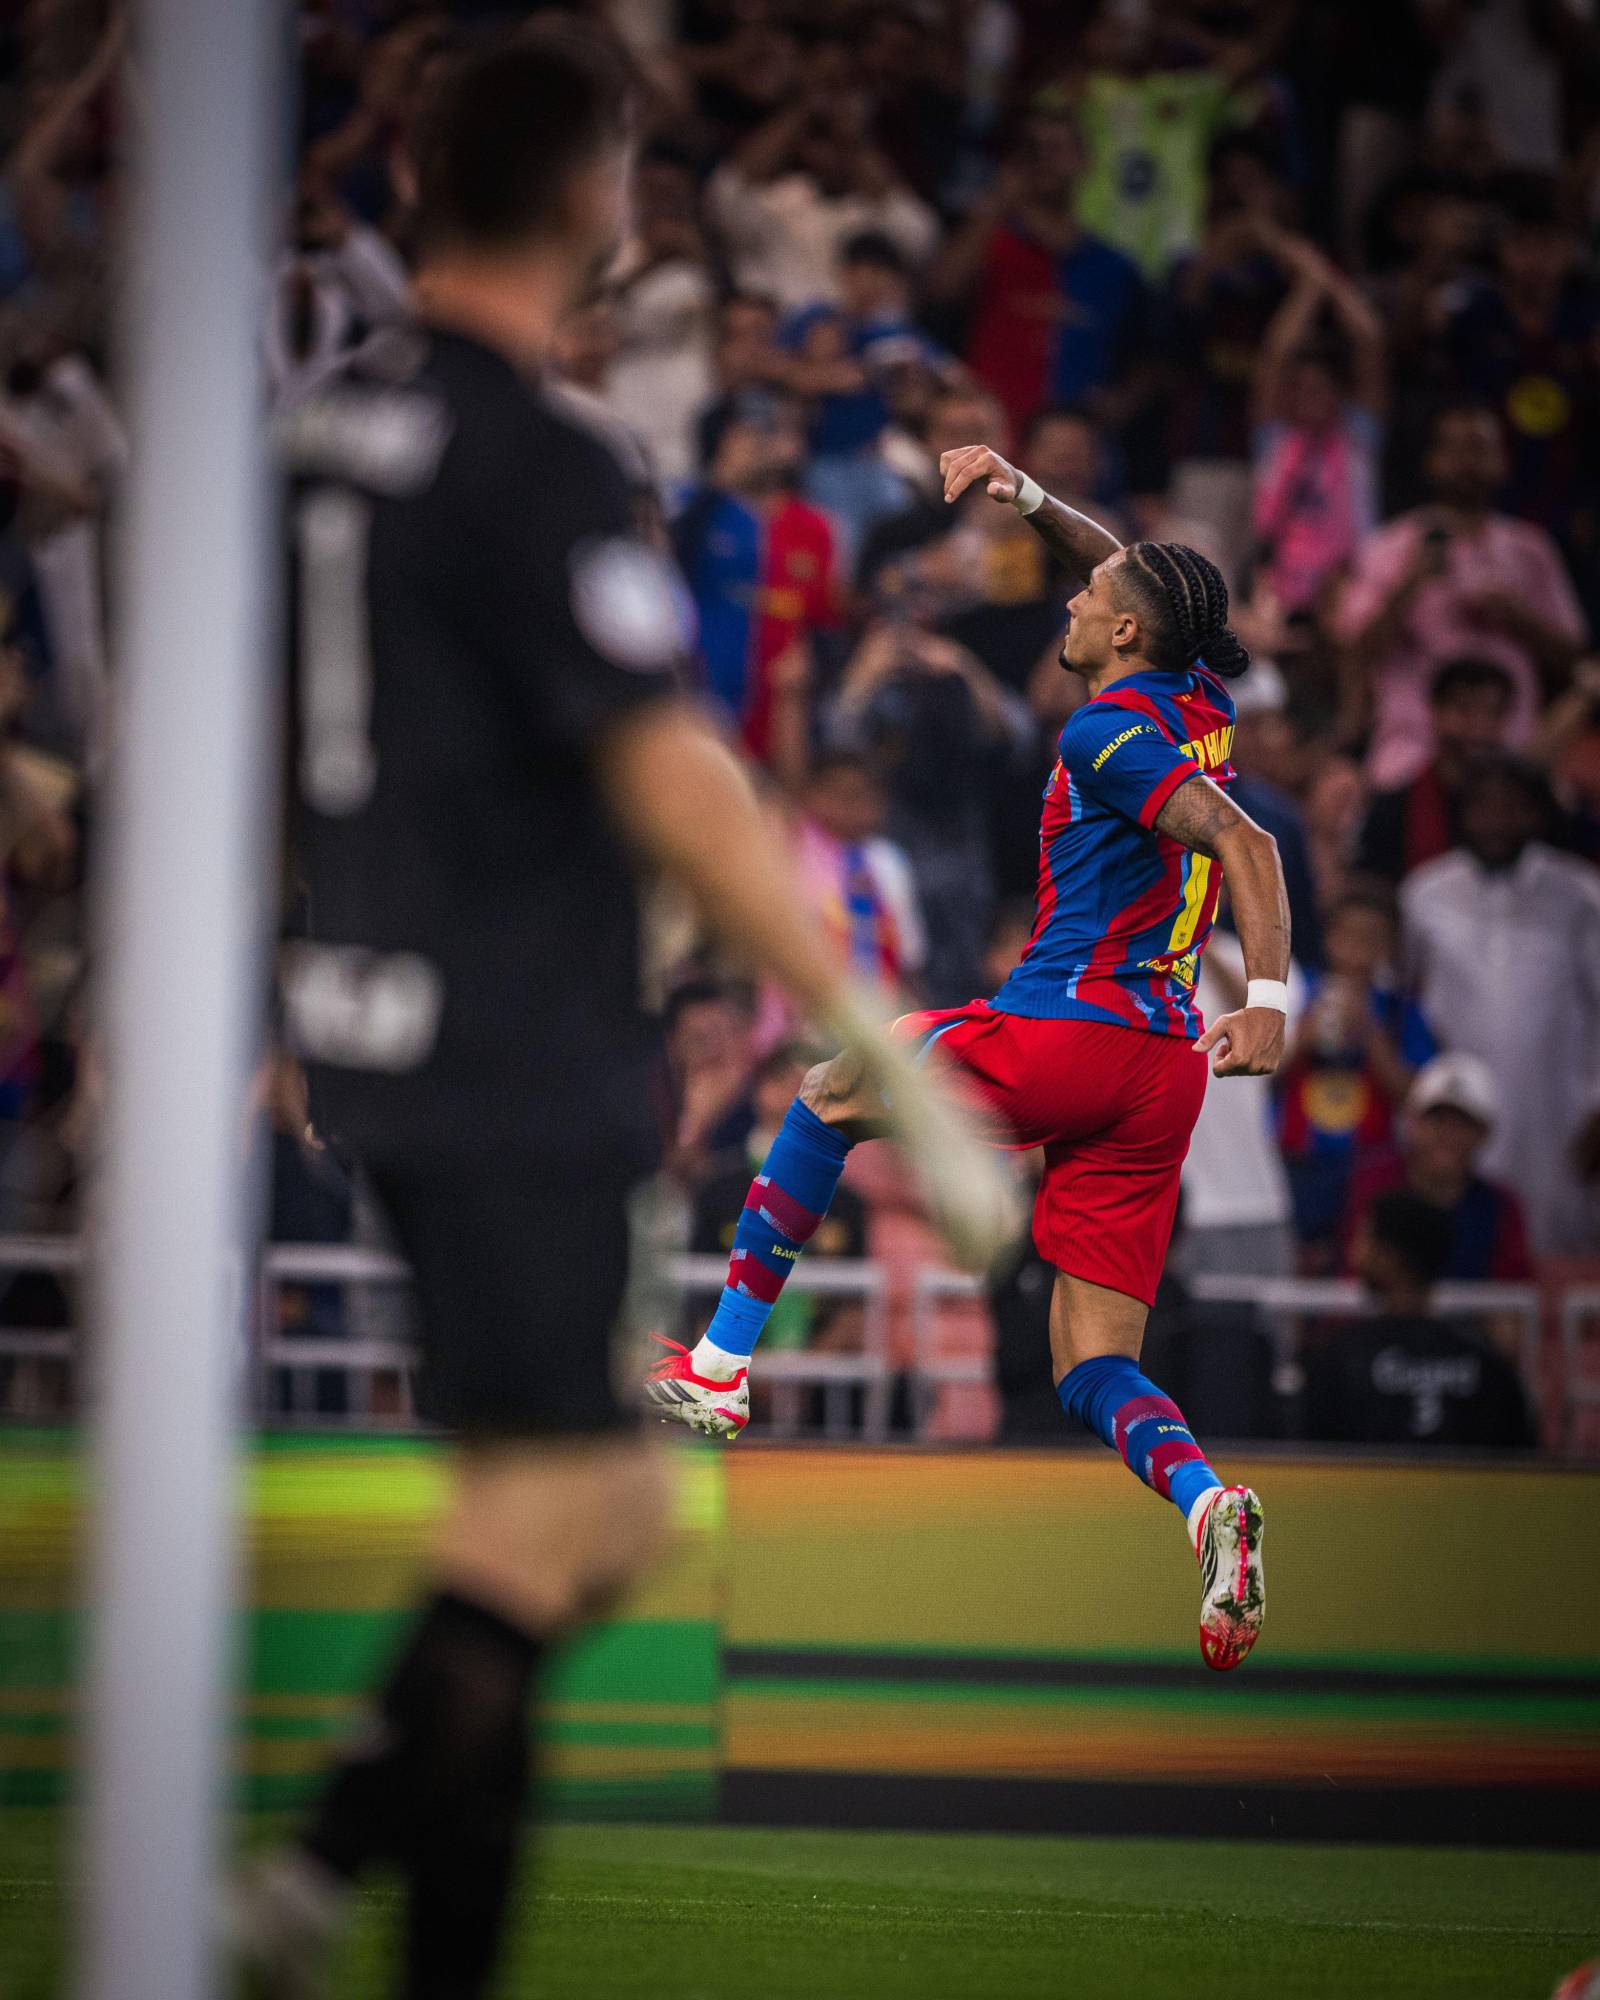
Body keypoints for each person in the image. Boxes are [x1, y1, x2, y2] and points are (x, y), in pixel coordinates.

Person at [245, 32, 1013, 2000]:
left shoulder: (322, 429)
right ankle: (315, 1861)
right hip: (515, 1041)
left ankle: (354, 1902)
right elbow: (674, 778)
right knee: (581, 1506)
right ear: (593, 193)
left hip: (368, 1033)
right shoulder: (546, 451)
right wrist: (885, 1048)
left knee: (580, 1498)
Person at [650, 438, 1294, 1673]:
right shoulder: (1194, 696)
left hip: (1072, 1028)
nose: (1069, 597)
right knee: (1090, 1363)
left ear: (1120, 640)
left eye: (1088, 605)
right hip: (1161, 1072)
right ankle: (1210, 1505)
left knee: (835, 1084)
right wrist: (1030, 494)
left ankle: (722, 1363)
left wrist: (1267, 997)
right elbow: (1125, 566)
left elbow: (1247, 843)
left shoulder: (1108, 732)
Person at [1401, 752, 1600, 1256]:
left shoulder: (1580, 895)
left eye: (1512, 808)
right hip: (1457, 1120)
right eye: (1483, 808)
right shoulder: (1426, 895)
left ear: (1537, 814)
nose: (1496, 822)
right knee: (1460, 1256)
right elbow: (1406, 1003)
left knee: (1555, 1259)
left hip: (1561, 1121)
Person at [1336, 400, 1587, 787]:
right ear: (1432, 460)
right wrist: (1410, 586)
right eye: (1454, 449)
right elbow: (1354, 652)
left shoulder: (1530, 550)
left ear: (1502, 461)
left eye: (1479, 448)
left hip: (1512, 751)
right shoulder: (1389, 547)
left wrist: (1520, 620)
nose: (1466, 462)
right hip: (1411, 755)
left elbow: (1576, 659)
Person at [1304, 1191, 1534, 1450]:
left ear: (1390, 1256)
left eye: (1364, 1237)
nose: (1353, 1251)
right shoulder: (1487, 1365)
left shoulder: (1339, 1359)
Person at [1340, 1052, 1535, 1285]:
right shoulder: (1374, 1187)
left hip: (1468, 1323)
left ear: (1484, 1134)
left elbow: (1511, 1303)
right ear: (1412, 1124)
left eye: (1462, 1123)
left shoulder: (1502, 1207)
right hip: (1384, 1322)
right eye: (1437, 1120)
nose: (1447, 1135)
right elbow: (1352, 1281)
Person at [1354, 655, 1515, 882]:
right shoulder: (1392, 809)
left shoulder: (1524, 812)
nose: (1479, 727)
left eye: (1493, 713)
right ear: (1434, 713)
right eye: (1465, 710)